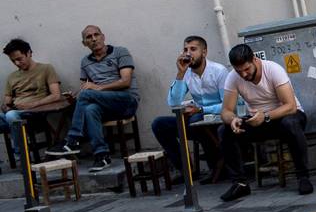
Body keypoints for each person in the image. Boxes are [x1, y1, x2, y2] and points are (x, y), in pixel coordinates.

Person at [218, 43, 313, 201]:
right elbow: (225, 111)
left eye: (246, 69)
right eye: (239, 71)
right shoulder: (233, 77)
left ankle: (303, 177)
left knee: (290, 124)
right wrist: (233, 119)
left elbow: (290, 106)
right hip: (258, 121)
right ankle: (240, 183)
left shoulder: (273, 70)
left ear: (254, 59)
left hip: (287, 116)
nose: (243, 74)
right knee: (224, 130)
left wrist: (266, 116)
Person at [45, 26, 138, 172]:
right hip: (104, 105)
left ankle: (73, 140)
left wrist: (98, 88)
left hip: (126, 101)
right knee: (90, 109)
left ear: (103, 36)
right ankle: (102, 155)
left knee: (87, 96)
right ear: (84, 43)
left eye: (96, 35)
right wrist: (75, 97)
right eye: (89, 37)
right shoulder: (85, 62)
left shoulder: (121, 52)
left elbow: (125, 82)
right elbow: (85, 88)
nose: (94, 39)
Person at [151, 35, 228, 182]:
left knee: (195, 119)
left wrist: (200, 110)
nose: (188, 53)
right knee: (159, 124)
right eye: (185, 49)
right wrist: (180, 73)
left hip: (218, 120)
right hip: (196, 121)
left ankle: (216, 167)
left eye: (193, 49)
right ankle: (186, 170)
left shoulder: (219, 71)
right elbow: (173, 103)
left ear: (204, 52)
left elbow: (228, 105)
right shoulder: (186, 73)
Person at [1, 39, 64, 141]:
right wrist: (6, 107)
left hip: (35, 113)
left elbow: (56, 95)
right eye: (13, 61)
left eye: (19, 59)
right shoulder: (11, 77)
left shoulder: (46, 69)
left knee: (11, 116)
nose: (17, 63)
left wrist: (32, 105)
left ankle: (20, 151)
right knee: (10, 115)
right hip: (15, 112)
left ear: (29, 53)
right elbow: (6, 103)